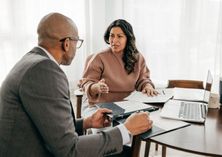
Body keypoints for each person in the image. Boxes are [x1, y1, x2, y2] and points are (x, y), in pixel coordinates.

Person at [0, 13, 153, 157]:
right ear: (67, 43)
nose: (114, 40)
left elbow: (50, 123)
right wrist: (125, 130)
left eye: (119, 36)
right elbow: (69, 149)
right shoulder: (45, 70)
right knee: (123, 153)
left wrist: (87, 122)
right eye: (77, 42)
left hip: (30, 144)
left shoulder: (33, 61)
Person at [80, 19, 157, 116]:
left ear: (128, 38)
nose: (114, 40)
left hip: (128, 105)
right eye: (112, 36)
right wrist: (96, 87)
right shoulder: (99, 57)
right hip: (100, 105)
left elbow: (143, 79)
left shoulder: (138, 57)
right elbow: (87, 82)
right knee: (112, 129)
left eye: (119, 36)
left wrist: (147, 86)